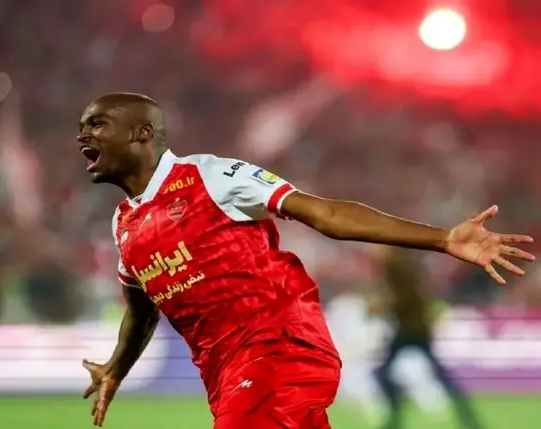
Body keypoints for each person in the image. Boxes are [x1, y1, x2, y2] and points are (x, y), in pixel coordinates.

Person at [77, 92, 534, 428]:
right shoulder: (124, 224)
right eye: (83, 126)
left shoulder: (211, 176)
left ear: (141, 132)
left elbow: (324, 214)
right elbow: (141, 310)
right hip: (225, 374)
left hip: (279, 350)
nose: (83, 134)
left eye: (97, 124)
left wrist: (443, 238)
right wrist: (116, 367)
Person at [371, 247, 483, 429]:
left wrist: (383, 306)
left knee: (385, 374)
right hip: (415, 330)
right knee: (440, 376)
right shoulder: (406, 269)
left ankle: (394, 418)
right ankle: (469, 419)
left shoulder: (399, 269)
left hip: (411, 330)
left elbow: (405, 299)